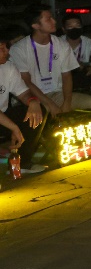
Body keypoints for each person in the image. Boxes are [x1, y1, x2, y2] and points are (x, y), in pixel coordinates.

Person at [12, 4, 91, 118]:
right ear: (35, 25)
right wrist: (50, 104)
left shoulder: (61, 44)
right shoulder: (19, 49)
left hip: (57, 93)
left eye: (52, 17)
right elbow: (26, 82)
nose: (54, 21)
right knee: (44, 111)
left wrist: (67, 102)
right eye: (48, 19)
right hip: (32, 96)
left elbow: (67, 76)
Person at [1, 38, 46, 173]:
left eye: (6, 47)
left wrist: (32, 101)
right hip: (3, 120)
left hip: (3, 117)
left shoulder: (8, 67)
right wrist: (14, 127)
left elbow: (23, 92)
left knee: (36, 111)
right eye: (1, 48)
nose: (7, 51)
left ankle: (23, 162)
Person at [63, 16, 91, 89]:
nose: (74, 29)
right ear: (64, 29)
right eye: (70, 26)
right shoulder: (58, 42)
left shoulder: (89, 42)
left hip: (84, 70)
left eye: (77, 25)